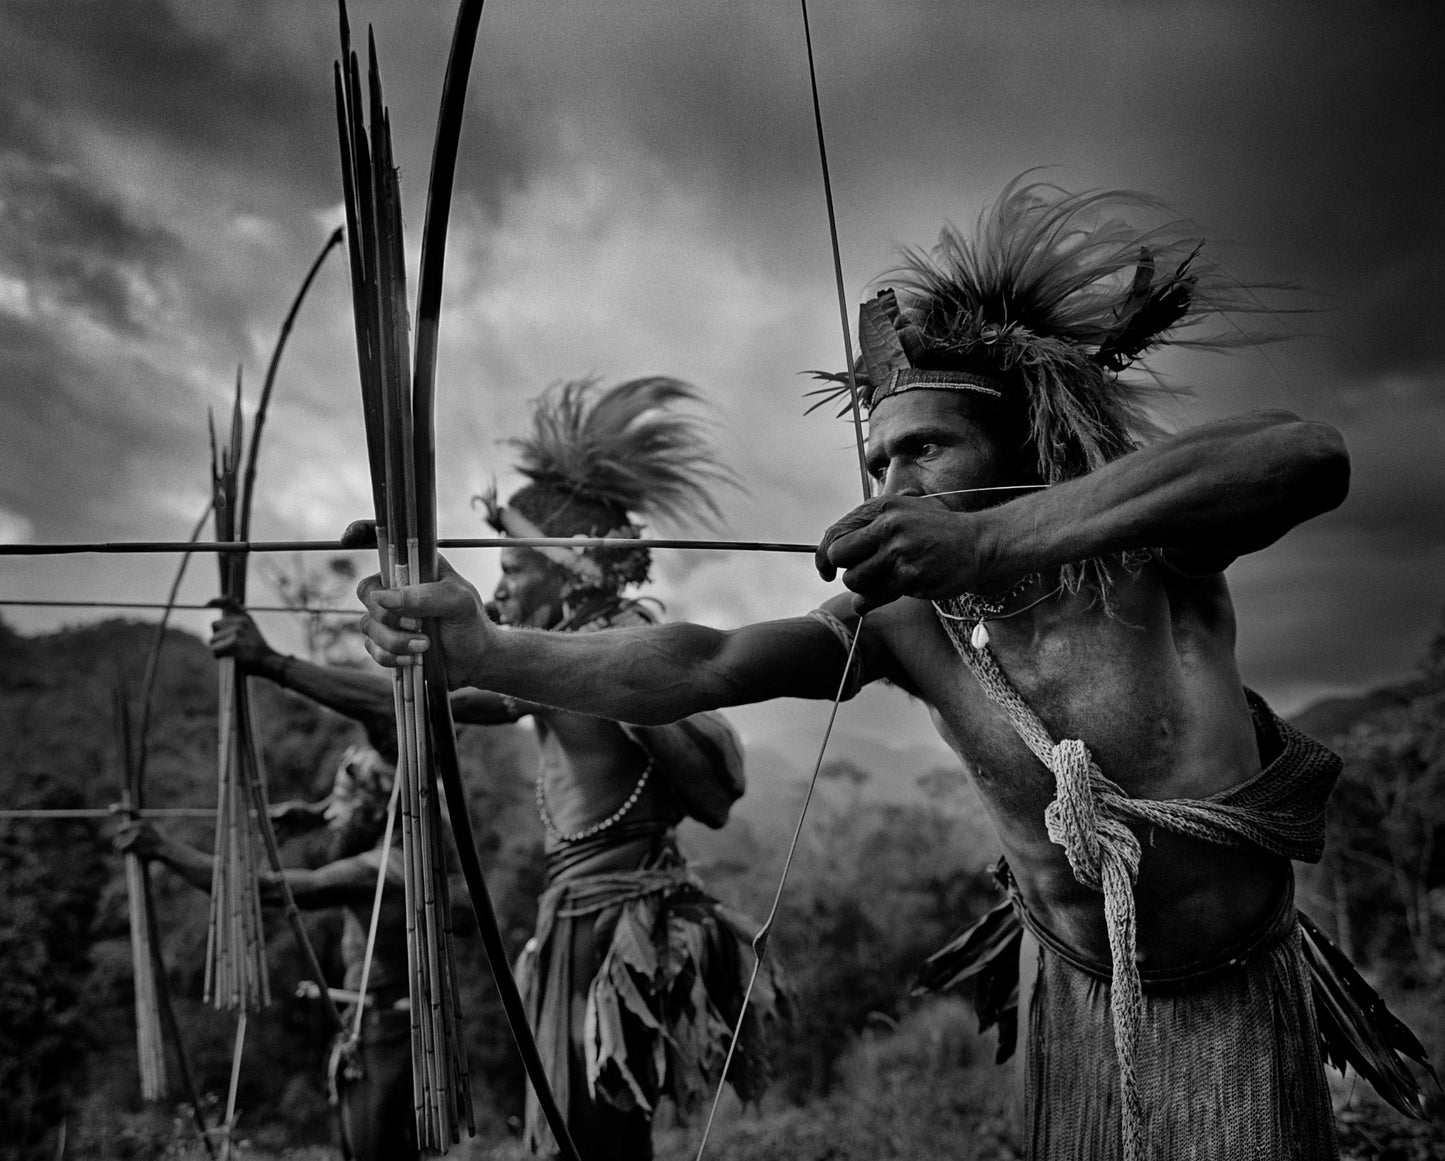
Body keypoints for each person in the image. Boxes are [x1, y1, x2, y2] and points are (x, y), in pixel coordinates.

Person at [354, 178, 1433, 1160]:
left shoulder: (1151, 545)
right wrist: (489, 650)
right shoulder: (907, 621)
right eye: (876, 460)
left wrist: (992, 543)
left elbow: (1303, 455)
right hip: (1074, 998)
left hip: (1233, 993)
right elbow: (703, 659)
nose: (889, 480)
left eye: (924, 449)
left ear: (1023, 447)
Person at [213, 376, 783, 1161]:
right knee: (589, 1136)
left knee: (595, 1138)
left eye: (515, 564)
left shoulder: (602, 652)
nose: (505, 585)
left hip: (610, 922)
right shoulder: (582, 657)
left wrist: (271, 662)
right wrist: (274, 664)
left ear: (572, 566)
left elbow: (714, 794)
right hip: (597, 915)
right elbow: (419, 695)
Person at [116, 744, 433, 1161]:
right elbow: (370, 805)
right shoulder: (397, 850)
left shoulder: (383, 870)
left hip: (390, 1033)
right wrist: (315, 814)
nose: (334, 824)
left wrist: (163, 849)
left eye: (343, 811)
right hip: (377, 1027)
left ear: (375, 814)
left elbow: (265, 890)